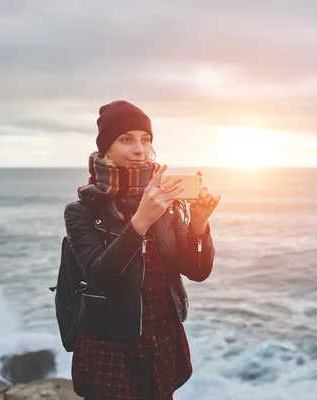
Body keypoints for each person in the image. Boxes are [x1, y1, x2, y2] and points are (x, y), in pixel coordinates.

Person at [63, 100, 220, 399]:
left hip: (161, 336)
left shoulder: (164, 201)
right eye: (126, 139)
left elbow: (197, 271)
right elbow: (98, 275)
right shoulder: (80, 211)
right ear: (106, 149)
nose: (140, 149)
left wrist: (199, 225)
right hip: (111, 342)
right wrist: (140, 222)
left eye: (145, 139)